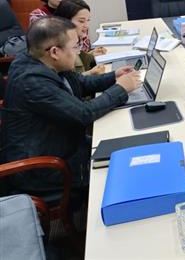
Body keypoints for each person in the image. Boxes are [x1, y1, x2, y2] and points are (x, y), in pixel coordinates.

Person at [0, 17, 142, 192]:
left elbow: (81, 82)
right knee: (123, 171)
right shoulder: (32, 82)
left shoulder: (41, 60)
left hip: (62, 143)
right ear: (55, 52)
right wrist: (121, 89)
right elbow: (83, 114)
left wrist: (114, 77)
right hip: (43, 169)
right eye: (75, 46)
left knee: (124, 142)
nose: (79, 51)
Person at [55, 0, 105, 75]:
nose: (87, 26)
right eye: (81, 21)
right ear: (65, 21)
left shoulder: (75, 39)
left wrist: (91, 55)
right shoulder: (60, 46)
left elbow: (79, 59)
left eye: (88, 20)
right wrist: (91, 73)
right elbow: (69, 80)